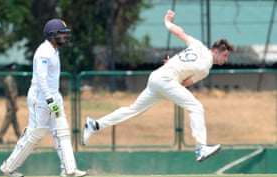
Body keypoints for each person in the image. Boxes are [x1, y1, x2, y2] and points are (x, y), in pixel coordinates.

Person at [82, 9, 235, 162]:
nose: (225, 60)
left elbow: (180, 33)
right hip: (166, 81)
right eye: (225, 55)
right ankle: (201, 148)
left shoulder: (198, 45)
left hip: (156, 77)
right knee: (196, 107)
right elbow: (183, 84)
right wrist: (175, 72)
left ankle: (94, 125)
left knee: (132, 110)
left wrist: (168, 22)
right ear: (215, 51)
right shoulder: (205, 69)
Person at [0, 18, 87, 177]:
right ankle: (9, 167)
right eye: (61, 34)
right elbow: (41, 78)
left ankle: (69, 169)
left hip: (54, 97)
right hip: (41, 99)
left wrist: (54, 100)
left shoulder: (54, 50)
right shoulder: (43, 52)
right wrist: (49, 100)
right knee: (35, 133)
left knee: (62, 131)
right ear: (52, 35)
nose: (64, 37)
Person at [0, 63, 21, 144]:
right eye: (13, 70)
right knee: (8, 120)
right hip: (10, 102)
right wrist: (15, 104)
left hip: (12, 101)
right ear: (10, 70)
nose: (15, 71)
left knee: (14, 121)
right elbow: (11, 93)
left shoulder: (12, 78)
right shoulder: (9, 79)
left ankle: (20, 137)